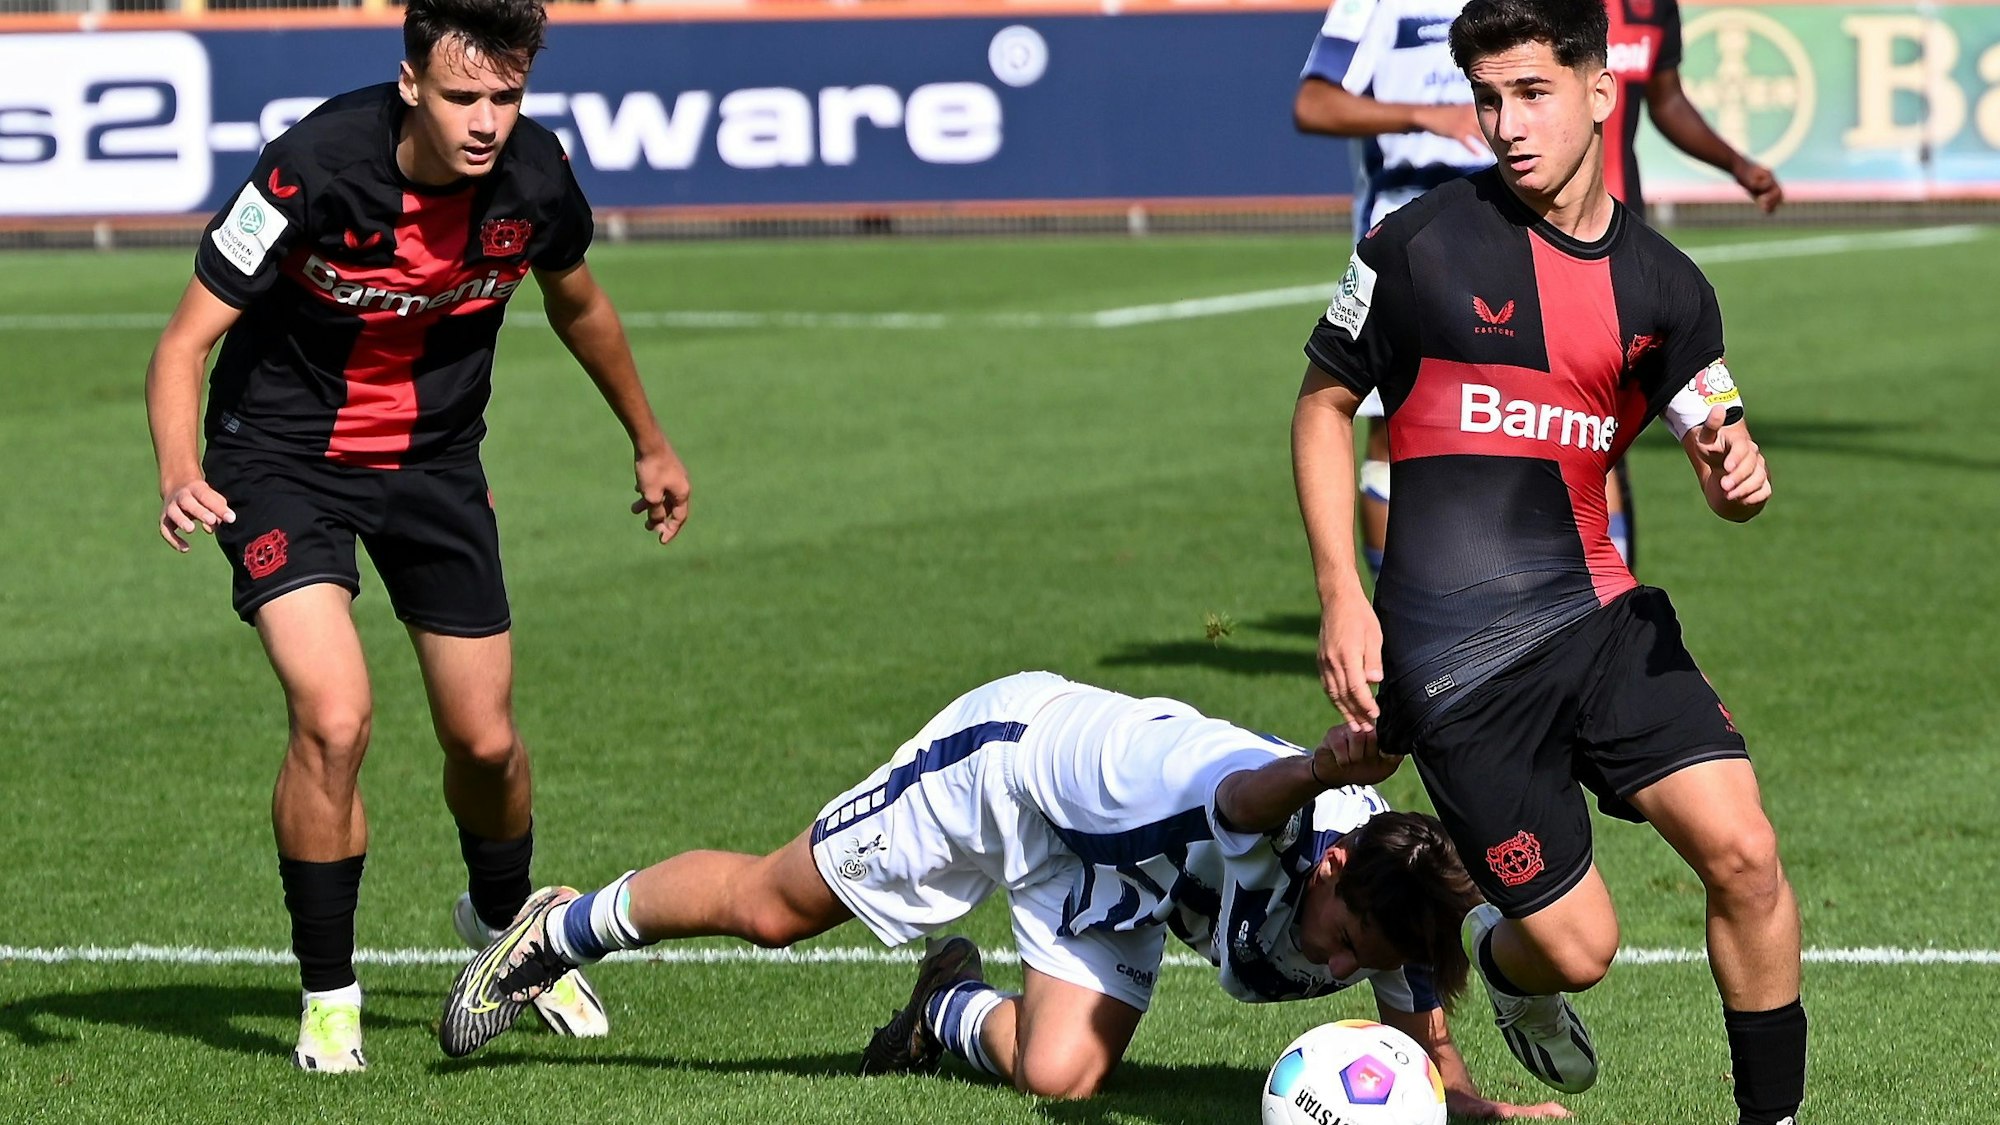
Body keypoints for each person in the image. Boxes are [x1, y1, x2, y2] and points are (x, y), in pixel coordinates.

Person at [142, 0, 692, 1073]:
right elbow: (183, 344)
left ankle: (504, 933)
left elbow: (578, 304)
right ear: (410, 82)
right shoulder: (309, 168)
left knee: (484, 743)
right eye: (462, 96)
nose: (487, 120)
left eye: (506, 96)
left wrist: (649, 441)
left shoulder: (533, 176)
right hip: (280, 465)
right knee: (335, 719)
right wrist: (178, 470)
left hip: (437, 468)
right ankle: (328, 994)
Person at [1287, 0, 1805, 1121]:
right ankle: (1500, 953)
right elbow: (1324, 405)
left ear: (1594, 89)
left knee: (1746, 856)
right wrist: (1341, 596)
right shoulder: (1415, 246)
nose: (1504, 125)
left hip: (1598, 617)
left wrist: (1734, 481)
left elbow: (1718, 443)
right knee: (1577, 951)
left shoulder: (1667, 290)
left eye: (1528, 93)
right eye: (1486, 99)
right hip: (1456, 660)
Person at [438, 672, 1567, 1119]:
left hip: (1109, 877)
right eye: (1338, 941)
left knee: (1062, 1077)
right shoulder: (1276, 814)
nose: (1334, 968)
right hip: (1010, 772)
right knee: (773, 910)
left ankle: (941, 1010)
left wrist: (1473, 1113)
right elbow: (1240, 798)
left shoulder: (1386, 892)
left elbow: (1412, 1007)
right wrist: (1322, 767)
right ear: (1326, 868)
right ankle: (561, 929)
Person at [1295, 0, 1649, 576]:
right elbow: (1314, 102)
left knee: (1581, 423)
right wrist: (1427, 116)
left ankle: (1601, 620)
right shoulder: (1376, 4)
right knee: (1400, 435)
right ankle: (1398, 635)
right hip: (1416, 242)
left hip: (1531, 229)